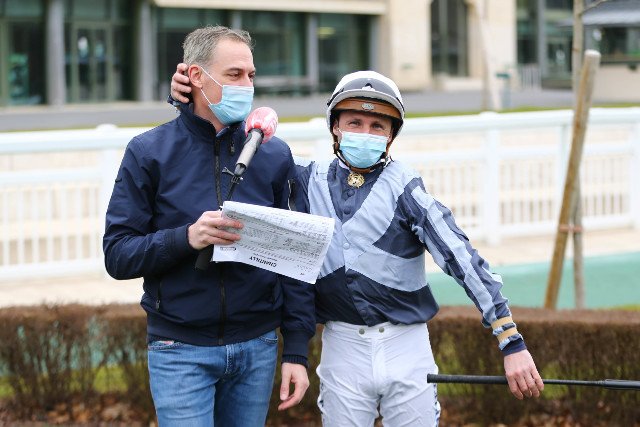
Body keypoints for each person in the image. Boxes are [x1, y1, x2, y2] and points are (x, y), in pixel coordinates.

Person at [170, 69, 544, 426]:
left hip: (406, 345)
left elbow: (462, 259)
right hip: (342, 346)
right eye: (354, 123)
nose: (365, 132)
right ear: (335, 126)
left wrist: (511, 342)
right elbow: (228, 144)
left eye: (377, 126)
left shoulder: (406, 186)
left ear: (391, 135)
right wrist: (188, 101)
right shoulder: (304, 177)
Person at [103, 26, 315, 427]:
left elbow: (295, 258)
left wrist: (296, 349)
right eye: (234, 74)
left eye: (251, 75)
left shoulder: (274, 154)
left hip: (257, 344)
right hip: (178, 347)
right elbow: (117, 255)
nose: (246, 85)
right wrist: (187, 238)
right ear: (196, 76)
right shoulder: (148, 152)